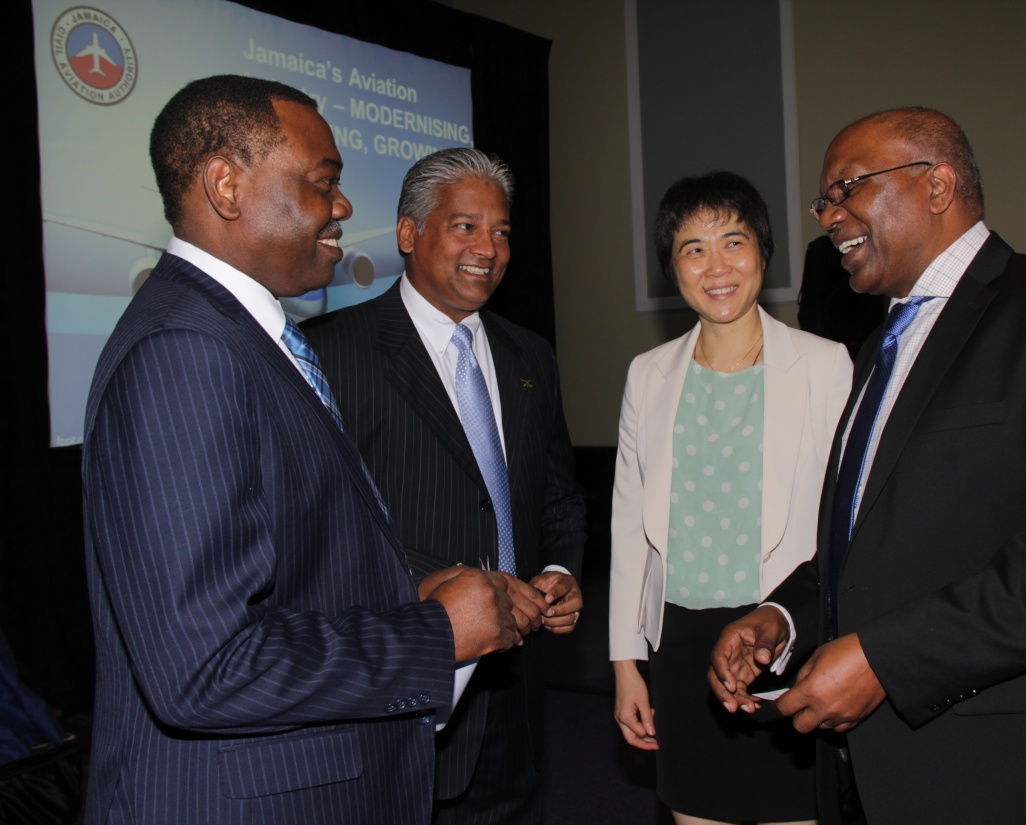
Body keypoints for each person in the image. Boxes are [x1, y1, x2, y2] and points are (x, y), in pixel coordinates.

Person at [82, 75, 521, 825]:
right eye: (325, 183)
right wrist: (433, 631)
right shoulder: (185, 352)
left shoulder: (245, 336)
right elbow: (203, 667)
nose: (344, 206)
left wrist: (409, 584)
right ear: (227, 186)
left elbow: (287, 557)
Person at [709, 107, 1026, 825]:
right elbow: (870, 544)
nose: (829, 215)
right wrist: (782, 618)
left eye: (847, 187)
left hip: (1019, 767)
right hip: (881, 770)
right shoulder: (877, 350)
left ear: (938, 185)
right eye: (824, 199)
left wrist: (886, 659)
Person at [303, 147, 586, 824]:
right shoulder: (332, 352)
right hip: (405, 687)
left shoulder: (530, 355)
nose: (488, 248)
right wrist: (455, 586)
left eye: (502, 232)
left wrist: (558, 570)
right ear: (408, 234)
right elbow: (321, 527)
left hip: (517, 692)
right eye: (465, 227)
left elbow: (558, 493)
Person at [610, 171, 853, 825]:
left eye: (733, 241)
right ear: (673, 266)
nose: (715, 266)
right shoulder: (647, 373)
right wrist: (626, 662)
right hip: (679, 646)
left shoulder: (827, 365)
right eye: (693, 248)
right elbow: (629, 527)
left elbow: (843, 526)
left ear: (763, 253)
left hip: (778, 635)